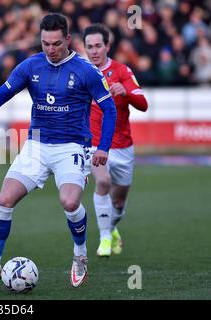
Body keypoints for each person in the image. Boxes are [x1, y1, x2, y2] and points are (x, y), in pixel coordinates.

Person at [0, 13, 117, 290]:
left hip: (72, 146)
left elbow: (109, 109)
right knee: (4, 200)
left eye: (55, 44)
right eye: (45, 44)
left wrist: (103, 148)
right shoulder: (31, 65)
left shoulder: (86, 71)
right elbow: (7, 89)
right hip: (37, 144)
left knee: (69, 202)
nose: (50, 50)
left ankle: (80, 255)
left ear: (67, 39)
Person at [83, 24, 148, 257]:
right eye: (89, 47)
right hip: (95, 145)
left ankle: (111, 229)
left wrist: (126, 92)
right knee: (102, 182)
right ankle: (104, 240)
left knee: (118, 204)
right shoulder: (80, 71)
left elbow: (143, 104)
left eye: (98, 45)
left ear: (107, 46)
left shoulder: (122, 71)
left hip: (123, 147)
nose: (94, 51)